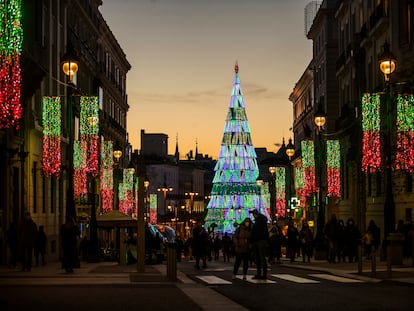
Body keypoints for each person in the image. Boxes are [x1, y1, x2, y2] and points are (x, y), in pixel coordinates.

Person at [250, 209, 269, 280]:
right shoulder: (261, 221)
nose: (253, 216)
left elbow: (256, 232)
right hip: (261, 241)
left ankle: (261, 274)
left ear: (255, 214)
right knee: (260, 258)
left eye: (253, 214)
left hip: (259, 241)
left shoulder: (259, 222)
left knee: (260, 258)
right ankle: (262, 274)